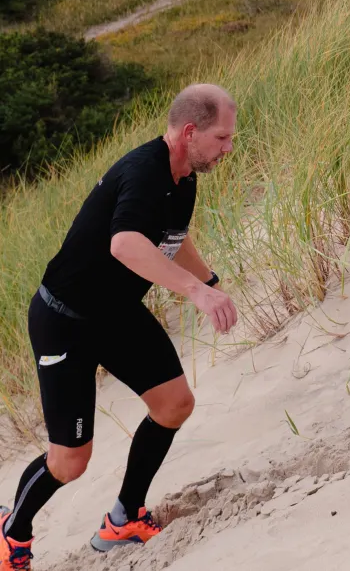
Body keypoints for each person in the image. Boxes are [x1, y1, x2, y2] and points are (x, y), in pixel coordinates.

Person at [0, 85, 239, 570]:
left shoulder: (185, 175)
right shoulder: (144, 171)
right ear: (190, 131)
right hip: (64, 321)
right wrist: (195, 293)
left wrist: (209, 279)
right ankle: (12, 533)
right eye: (222, 137)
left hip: (115, 315)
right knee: (70, 461)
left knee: (174, 405)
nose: (227, 148)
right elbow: (126, 244)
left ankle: (124, 517)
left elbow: (173, 238)